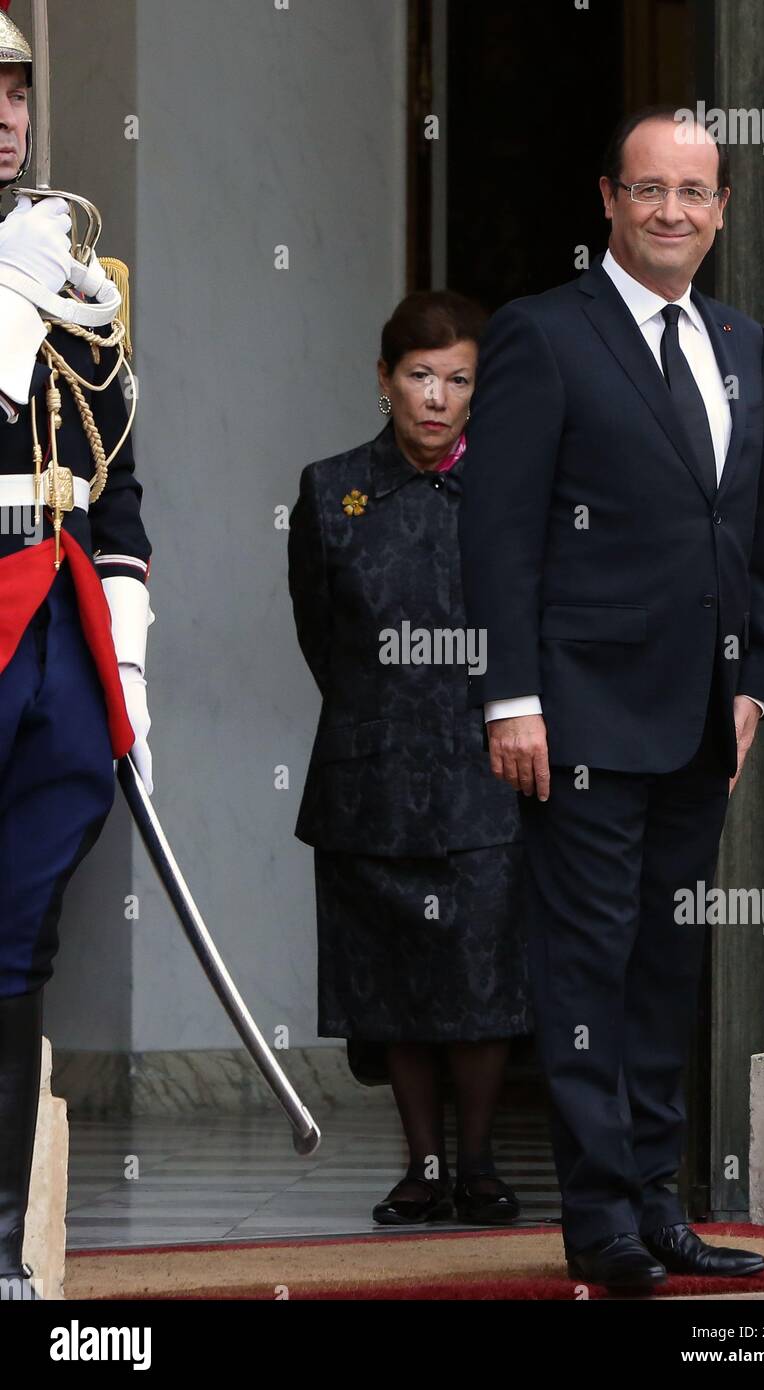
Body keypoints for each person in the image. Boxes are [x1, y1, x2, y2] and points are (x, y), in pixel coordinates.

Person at [458, 106, 764, 1292]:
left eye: (692, 193)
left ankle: (661, 1202)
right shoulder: (544, 336)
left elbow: (747, 524)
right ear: (607, 199)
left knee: (662, 968)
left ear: (720, 209)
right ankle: (597, 1219)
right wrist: (510, 697)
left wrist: (755, 683)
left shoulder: (740, 341)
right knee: (587, 967)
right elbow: (495, 535)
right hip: (580, 716)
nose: (670, 213)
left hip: (702, 718)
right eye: (647, 191)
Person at [289, 291, 531, 1226]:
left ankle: (477, 1164)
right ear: (384, 378)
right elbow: (322, 634)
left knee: (481, 975)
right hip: (372, 772)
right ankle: (421, 1166)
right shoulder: (330, 490)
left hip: (487, 768)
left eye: (458, 379)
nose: (437, 398)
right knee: (390, 983)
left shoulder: (514, 487)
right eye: (420, 376)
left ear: (479, 388)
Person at [0, 12, 153, 1299]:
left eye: (14, 89)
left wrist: (131, 657)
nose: (4, 114)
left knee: (18, 940)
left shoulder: (73, 260)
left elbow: (115, 479)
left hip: (55, 629)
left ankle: (4, 1247)